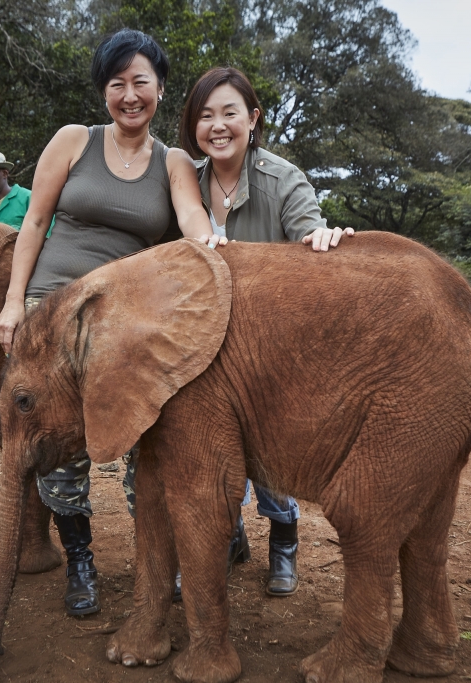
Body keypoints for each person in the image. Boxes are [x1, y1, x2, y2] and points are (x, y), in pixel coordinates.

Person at [0, 29, 223, 618]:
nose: (129, 95)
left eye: (140, 82)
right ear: (103, 91)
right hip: (52, 317)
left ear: (160, 89)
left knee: (140, 445)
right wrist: (15, 302)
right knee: (58, 448)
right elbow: (36, 222)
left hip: (125, 327)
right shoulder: (74, 141)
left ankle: (153, 561)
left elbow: (193, 215)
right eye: (116, 83)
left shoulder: (173, 162)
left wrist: (209, 240)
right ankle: (81, 562)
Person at [178, 66, 355, 598]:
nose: (217, 125)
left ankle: (284, 539)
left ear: (252, 119)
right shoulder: (185, 176)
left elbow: (309, 234)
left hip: (269, 345)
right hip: (204, 341)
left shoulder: (283, 177)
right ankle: (229, 539)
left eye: (230, 112)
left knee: (270, 454)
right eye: (205, 116)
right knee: (209, 453)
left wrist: (325, 236)